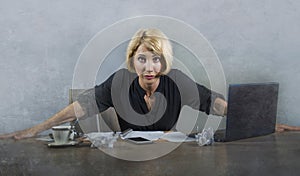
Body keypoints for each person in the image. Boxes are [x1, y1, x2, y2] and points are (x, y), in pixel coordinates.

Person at [0, 28, 299, 140]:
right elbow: (77, 109)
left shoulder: (178, 82)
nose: (149, 67)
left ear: (164, 62)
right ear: (133, 60)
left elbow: (219, 106)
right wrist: (35, 129)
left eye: (156, 59)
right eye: (142, 59)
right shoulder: (118, 82)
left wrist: (267, 123)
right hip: (126, 161)